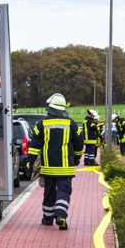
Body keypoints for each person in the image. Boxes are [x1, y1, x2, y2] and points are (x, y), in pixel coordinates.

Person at [26, 93, 83, 230]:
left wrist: (29, 162)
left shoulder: (42, 124)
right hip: (66, 168)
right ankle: (61, 216)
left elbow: (34, 146)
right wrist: (76, 158)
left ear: (50, 108)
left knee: (49, 192)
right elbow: (79, 144)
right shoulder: (71, 123)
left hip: (48, 168)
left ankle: (47, 219)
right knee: (63, 191)